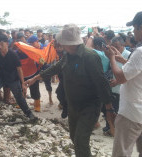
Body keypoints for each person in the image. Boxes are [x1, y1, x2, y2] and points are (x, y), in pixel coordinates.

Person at [25, 24, 115, 157]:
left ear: (68, 43)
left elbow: (102, 83)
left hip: (89, 106)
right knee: (74, 138)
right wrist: (35, 78)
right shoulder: (68, 54)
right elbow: (56, 67)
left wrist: (109, 109)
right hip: (73, 105)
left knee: (80, 141)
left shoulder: (89, 57)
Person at [103, 11, 142, 157]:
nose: (133, 31)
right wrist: (122, 60)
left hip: (131, 114)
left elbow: (121, 77)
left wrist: (112, 58)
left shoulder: (139, 52)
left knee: (121, 153)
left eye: (135, 27)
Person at [16, 33, 41, 112]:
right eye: (18, 47)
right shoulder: (15, 54)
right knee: (21, 90)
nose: (20, 48)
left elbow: (39, 58)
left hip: (33, 74)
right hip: (22, 75)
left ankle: (37, 105)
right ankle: (22, 104)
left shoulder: (30, 51)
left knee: (35, 90)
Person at [28, 35, 54, 105]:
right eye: (30, 44)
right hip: (37, 68)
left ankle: (50, 98)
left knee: (47, 83)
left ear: (37, 42)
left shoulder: (44, 48)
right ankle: (36, 100)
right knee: (35, 84)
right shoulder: (32, 49)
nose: (31, 45)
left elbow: (48, 59)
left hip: (45, 67)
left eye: (32, 43)